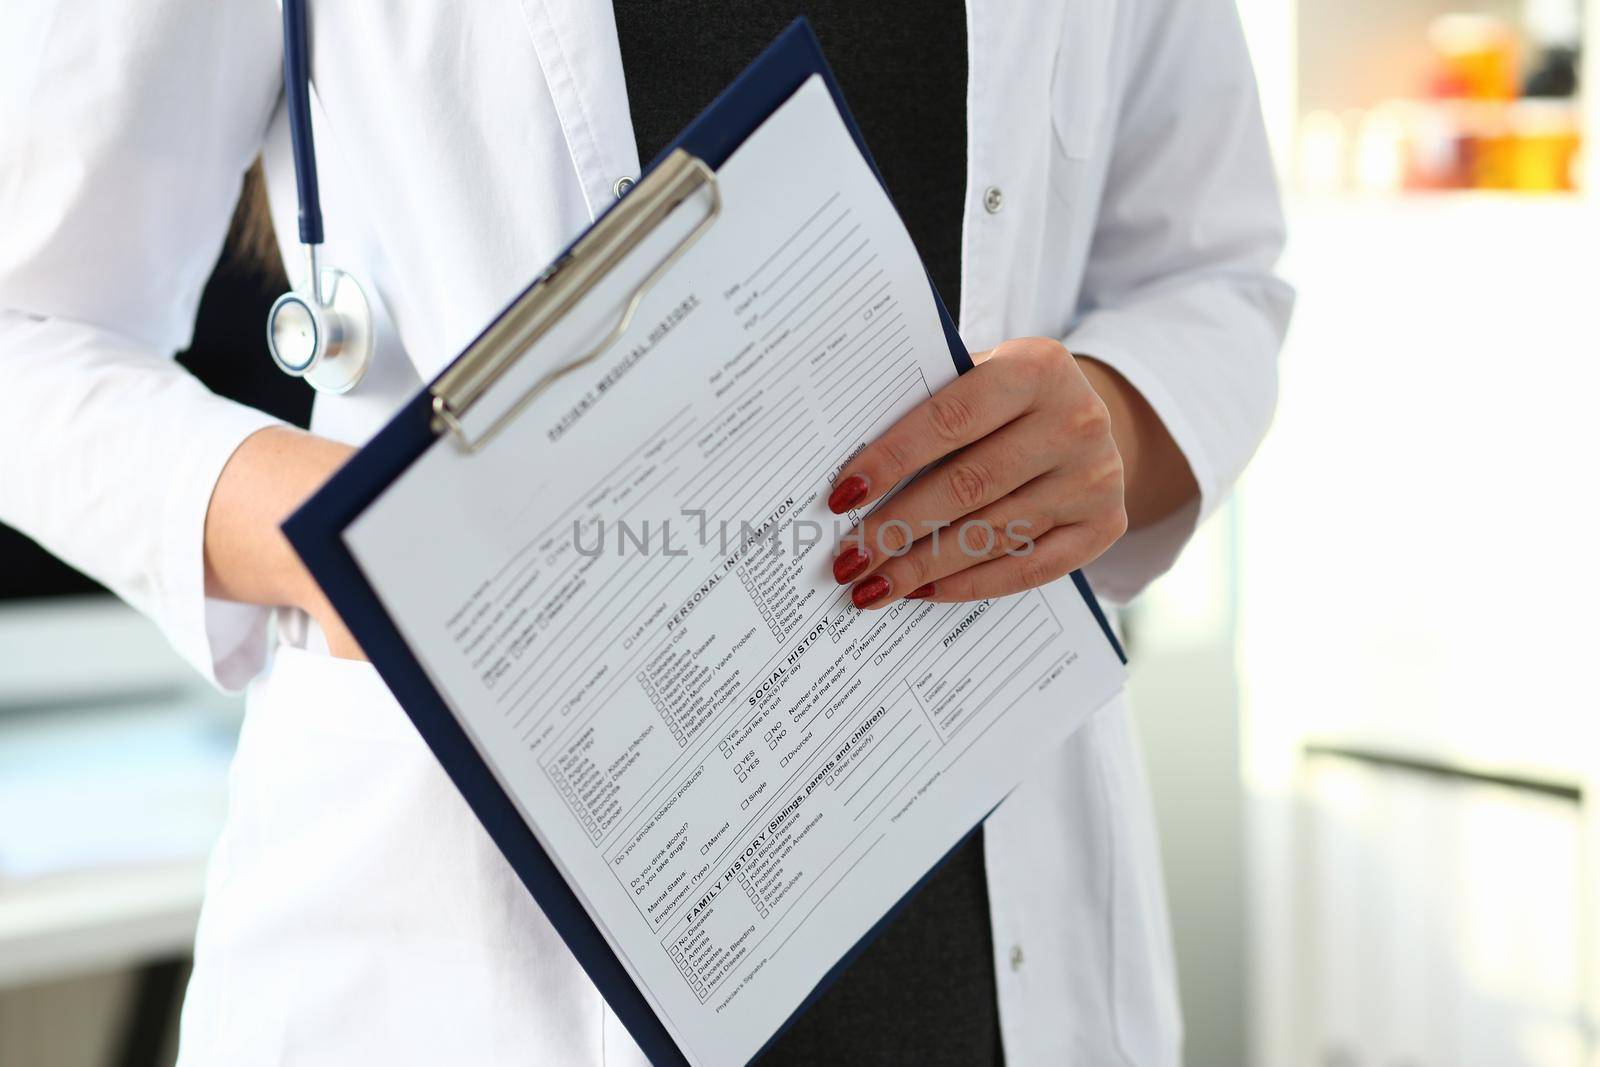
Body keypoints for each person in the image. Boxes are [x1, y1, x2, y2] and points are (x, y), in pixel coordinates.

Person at [0, 1, 1290, 1063]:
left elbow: (1211, 275)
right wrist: (352, 542)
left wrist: (1115, 420)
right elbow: (28, 336)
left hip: (984, 957)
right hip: (466, 951)